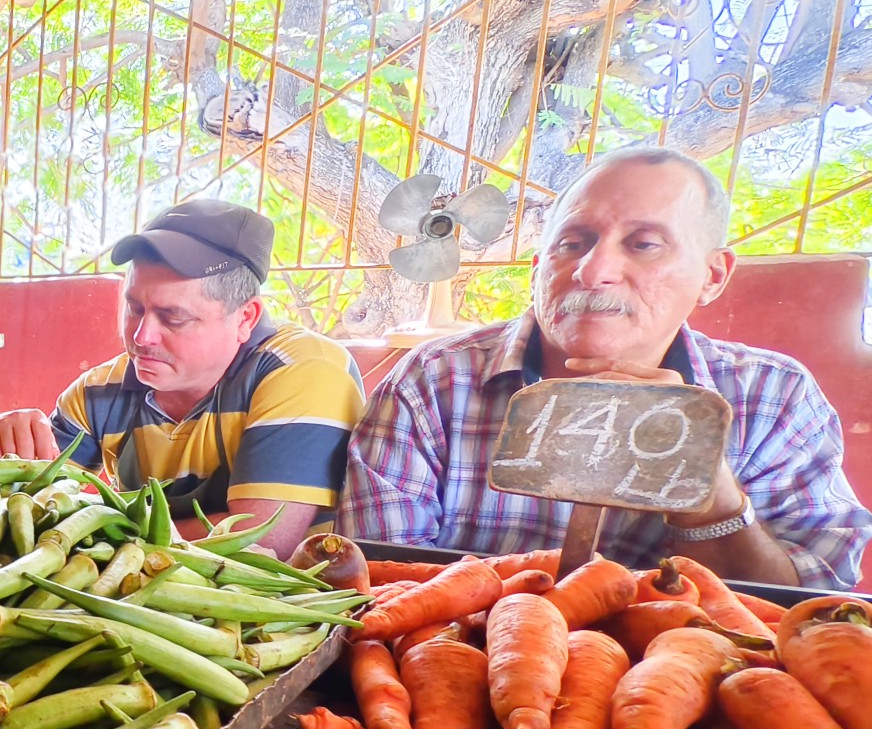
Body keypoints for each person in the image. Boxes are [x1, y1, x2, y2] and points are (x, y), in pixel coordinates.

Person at [339, 145, 870, 587]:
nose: (594, 272)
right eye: (572, 243)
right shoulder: (433, 381)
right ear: (536, 268)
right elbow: (380, 583)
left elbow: (814, 604)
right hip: (457, 664)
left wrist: (711, 504)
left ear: (712, 275)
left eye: (643, 245)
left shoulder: (775, 396)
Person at [0, 200, 366, 559]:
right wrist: (6, 457)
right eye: (134, 308)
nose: (141, 337)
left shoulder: (304, 371)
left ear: (245, 318)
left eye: (174, 318)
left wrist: (90, 533)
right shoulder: (98, 393)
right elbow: (26, 511)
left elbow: (261, 540)